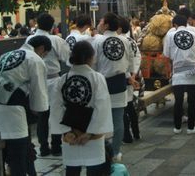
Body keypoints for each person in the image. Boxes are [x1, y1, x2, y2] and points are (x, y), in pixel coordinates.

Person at [0, 36, 50, 176]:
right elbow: (38, 91)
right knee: (17, 159)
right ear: (41, 49)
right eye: (44, 54)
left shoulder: (6, 55)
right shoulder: (34, 59)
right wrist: (38, 111)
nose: (43, 57)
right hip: (13, 110)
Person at [49, 41, 114, 176]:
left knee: (72, 170)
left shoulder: (62, 79)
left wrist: (67, 132)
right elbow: (102, 108)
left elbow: (56, 108)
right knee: (94, 169)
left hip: (71, 133)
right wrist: (90, 133)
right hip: (92, 134)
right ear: (90, 58)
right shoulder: (97, 78)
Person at [26, 13, 70, 157]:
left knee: (42, 115)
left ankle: (43, 147)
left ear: (37, 23)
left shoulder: (29, 39)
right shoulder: (56, 40)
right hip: (54, 79)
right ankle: (56, 146)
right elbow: (66, 58)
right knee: (56, 113)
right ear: (52, 26)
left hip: (36, 80)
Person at [92, 13, 134, 160]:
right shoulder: (125, 41)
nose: (99, 23)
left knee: (100, 119)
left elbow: (93, 64)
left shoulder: (98, 41)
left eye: (101, 21)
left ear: (107, 25)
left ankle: (102, 150)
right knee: (118, 119)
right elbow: (130, 63)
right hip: (120, 82)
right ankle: (115, 152)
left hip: (102, 83)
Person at [163, 15, 195, 135]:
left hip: (178, 72)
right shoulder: (194, 35)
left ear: (174, 25)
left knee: (178, 100)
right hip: (192, 71)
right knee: (192, 100)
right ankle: (191, 127)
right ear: (186, 23)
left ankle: (177, 127)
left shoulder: (170, 35)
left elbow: (167, 55)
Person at [117, 17, 141, 143]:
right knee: (130, 106)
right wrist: (134, 74)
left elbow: (121, 61)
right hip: (131, 75)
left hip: (123, 76)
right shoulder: (131, 41)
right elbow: (137, 57)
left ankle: (126, 135)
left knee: (123, 108)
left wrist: (128, 75)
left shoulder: (119, 41)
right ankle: (136, 132)